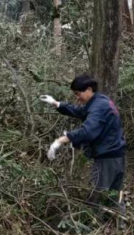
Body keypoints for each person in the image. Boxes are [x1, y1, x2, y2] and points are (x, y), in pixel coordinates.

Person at [40, 74, 128, 217]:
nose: (77, 97)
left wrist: (61, 140)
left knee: (97, 195)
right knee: (115, 194)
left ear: (88, 89)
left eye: (78, 93)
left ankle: (97, 229)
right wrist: (56, 103)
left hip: (107, 157)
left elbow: (87, 132)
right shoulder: (100, 101)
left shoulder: (99, 106)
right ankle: (121, 224)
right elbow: (80, 111)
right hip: (115, 155)